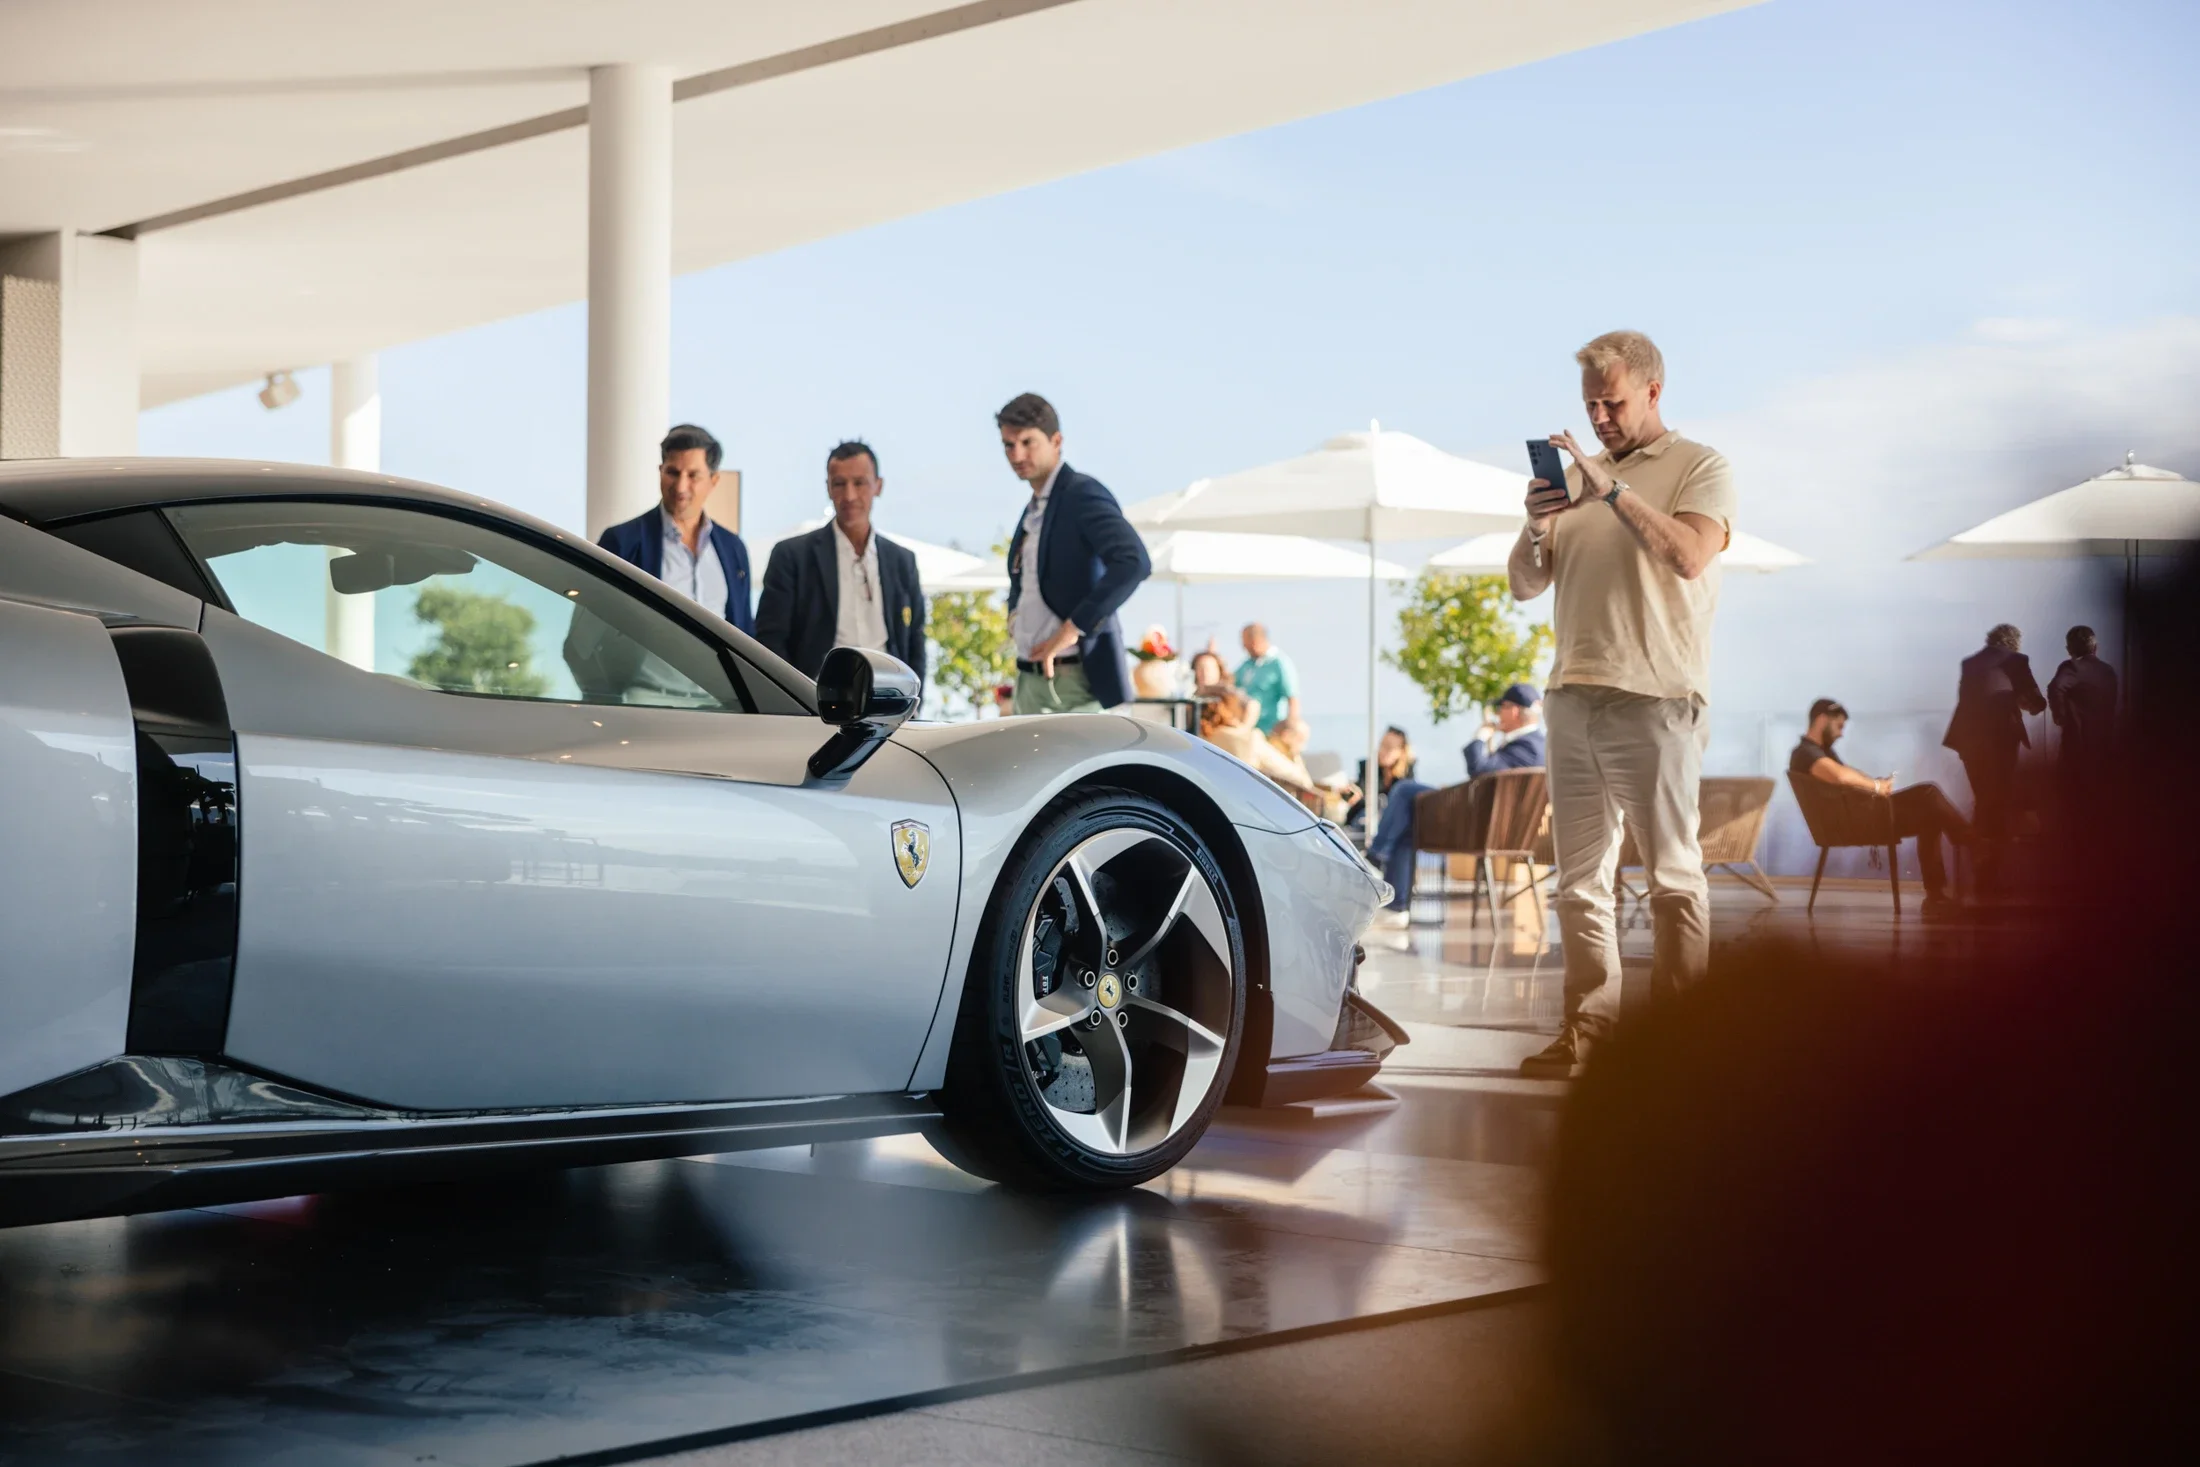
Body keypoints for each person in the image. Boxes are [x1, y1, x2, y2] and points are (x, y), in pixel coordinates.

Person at [1505, 330, 1736, 1079]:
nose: (1600, 418)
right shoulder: (1576, 479)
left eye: (1613, 403)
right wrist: (1539, 524)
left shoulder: (1701, 465)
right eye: (1591, 406)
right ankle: (1588, 1032)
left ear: (1653, 391)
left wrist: (1611, 490)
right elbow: (1523, 584)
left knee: (1673, 878)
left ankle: (1679, 1041)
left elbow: (1690, 555)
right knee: (1579, 885)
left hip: (1658, 699)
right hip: (1572, 696)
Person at [998, 393, 1151, 714]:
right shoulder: (1034, 508)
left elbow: (1133, 562)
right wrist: (1014, 619)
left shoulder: (1081, 493)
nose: (1017, 454)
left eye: (1027, 442)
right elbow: (1025, 579)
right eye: (1009, 445)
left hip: (1074, 682)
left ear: (1056, 441)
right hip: (1028, 679)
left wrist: (1073, 628)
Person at [754, 441, 927, 684]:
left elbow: (916, 639)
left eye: (859, 483)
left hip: (889, 694)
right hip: (814, 695)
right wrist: (792, 697)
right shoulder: (792, 556)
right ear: (828, 487)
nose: (849, 495)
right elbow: (770, 639)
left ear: (878, 486)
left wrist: (913, 697)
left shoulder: (902, 561)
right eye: (839, 484)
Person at [1791, 698, 1972, 915]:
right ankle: (1973, 843)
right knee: (1928, 793)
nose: (1841, 734)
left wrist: (1875, 785)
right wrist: (1877, 786)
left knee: (1930, 814)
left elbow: (1846, 774)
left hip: (1859, 816)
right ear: (1822, 720)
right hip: (1855, 823)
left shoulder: (1820, 752)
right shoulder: (1805, 753)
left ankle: (1936, 895)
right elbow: (1839, 776)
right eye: (1838, 726)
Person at [597, 424, 755, 634]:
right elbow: (592, 627)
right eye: (673, 472)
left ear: (714, 480)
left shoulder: (733, 548)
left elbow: (745, 632)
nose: (681, 486)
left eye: (693, 475)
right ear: (660, 471)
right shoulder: (622, 542)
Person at [1942, 623, 2046, 892]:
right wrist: (2034, 704)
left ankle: (1982, 872)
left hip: (1969, 742)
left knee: (1984, 802)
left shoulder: (1969, 663)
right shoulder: (2017, 660)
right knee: (1997, 803)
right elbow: (2033, 700)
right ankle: (1990, 876)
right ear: (2014, 642)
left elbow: (1971, 700)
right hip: (2000, 742)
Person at [1357, 727, 1432, 928]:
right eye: (1382, 746)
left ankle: (1375, 858)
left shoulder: (1406, 775)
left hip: (1390, 824)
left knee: (1404, 828)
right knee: (1401, 831)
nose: (1383, 751)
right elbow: (1362, 797)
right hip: (1366, 815)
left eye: (1390, 747)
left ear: (1401, 751)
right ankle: (1395, 905)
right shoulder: (1368, 767)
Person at [2047, 625, 2117, 827]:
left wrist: (2060, 715)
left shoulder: (2072, 667)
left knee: (2073, 797)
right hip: (2105, 744)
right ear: (2095, 647)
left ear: (2069, 649)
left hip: (2078, 744)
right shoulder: (2109, 671)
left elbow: (2055, 687)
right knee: (2099, 800)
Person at [1465, 683, 1547, 776]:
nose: (1497, 713)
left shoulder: (1526, 748)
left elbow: (1478, 770)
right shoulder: (1542, 745)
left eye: (1501, 707)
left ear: (1514, 711)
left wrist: (1480, 736)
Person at [1233, 623, 1300, 734]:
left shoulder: (1279, 663)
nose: (1244, 647)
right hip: (1248, 728)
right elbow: (1230, 684)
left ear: (1257, 640)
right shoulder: (1247, 664)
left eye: (1247, 643)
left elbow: (1292, 697)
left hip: (1270, 730)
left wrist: (1290, 727)